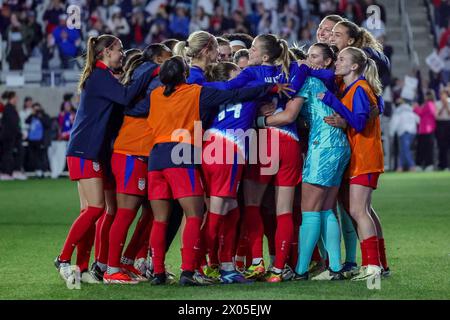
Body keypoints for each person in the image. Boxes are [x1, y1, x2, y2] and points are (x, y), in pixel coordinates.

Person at [146, 56, 276, 286]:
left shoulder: (155, 95)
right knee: (197, 215)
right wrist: (271, 87)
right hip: (183, 153)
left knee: (160, 219)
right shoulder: (195, 92)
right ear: (185, 75)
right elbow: (234, 94)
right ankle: (191, 270)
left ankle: (158, 272)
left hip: (156, 157)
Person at [54, 34, 154, 284]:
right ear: (107, 51)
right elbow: (125, 97)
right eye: (119, 49)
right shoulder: (100, 76)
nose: (122, 54)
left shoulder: (101, 76)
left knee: (91, 211)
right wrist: (151, 71)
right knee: (96, 208)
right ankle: (64, 259)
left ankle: (83, 267)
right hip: (86, 150)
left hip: (85, 149)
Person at [260, 43, 350, 281]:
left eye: (313, 56)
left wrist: (261, 121)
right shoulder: (329, 82)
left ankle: (300, 270)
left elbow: (289, 115)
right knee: (326, 208)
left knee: (309, 210)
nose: (307, 61)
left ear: (327, 61)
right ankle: (336, 268)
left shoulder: (309, 82)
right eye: (307, 56)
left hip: (323, 146)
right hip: (339, 144)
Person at [103, 44, 172, 285]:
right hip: (131, 152)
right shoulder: (151, 74)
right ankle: (112, 268)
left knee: (149, 212)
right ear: (156, 59)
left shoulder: (145, 76)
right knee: (125, 212)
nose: (169, 64)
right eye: (167, 59)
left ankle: (126, 261)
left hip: (141, 153)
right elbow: (145, 107)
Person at [319, 47, 386, 280]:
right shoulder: (353, 88)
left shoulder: (359, 88)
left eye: (342, 59)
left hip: (365, 157)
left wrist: (332, 103)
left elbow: (358, 122)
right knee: (362, 210)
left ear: (354, 66)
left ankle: (372, 267)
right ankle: (376, 265)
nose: (337, 62)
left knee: (359, 211)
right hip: (362, 156)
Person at [389, 98, 420, 172]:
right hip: (412, 132)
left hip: (403, 131)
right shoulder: (410, 109)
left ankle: (411, 166)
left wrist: (391, 133)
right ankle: (400, 167)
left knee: (405, 149)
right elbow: (418, 119)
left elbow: (395, 121)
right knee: (404, 149)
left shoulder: (398, 110)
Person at [26, 103, 51, 178]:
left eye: (37, 109)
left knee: (42, 156)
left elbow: (48, 124)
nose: (36, 111)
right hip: (32, 140)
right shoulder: (32, 116)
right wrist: (32, 114)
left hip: (41, 140)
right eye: (35, 109)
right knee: (34, 156)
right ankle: (38, 170)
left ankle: (44, 170)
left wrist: (40, 117)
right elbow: (27, 121)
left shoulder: (44, 116)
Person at [414, 90, 437, 171]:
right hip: (427, 129)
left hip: (426, 130)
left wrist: (416, 108)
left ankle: (424, 165)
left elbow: (420, 112)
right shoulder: (432, 104)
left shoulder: (428, 104)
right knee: (426, 148)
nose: (425, 97)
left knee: (423, 149)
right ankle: (426, 165)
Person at [0, 91, 21, 181]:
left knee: (10, 154)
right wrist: (19, 133)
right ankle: (5, 172)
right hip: (7, 136)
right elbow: (11, 124)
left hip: (11, 135)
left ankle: (11, 171)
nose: (17, 99)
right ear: (12, 98)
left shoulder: (11, 108)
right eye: (16, 97)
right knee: (7, 154)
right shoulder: (8, 109)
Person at [435, 88, 450, 170]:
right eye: (441, 94)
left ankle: (448, 165)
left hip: (448, 123)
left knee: (448, 145)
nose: (442, 96)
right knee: (441, 145)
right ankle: (441, 165)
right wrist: (443, 106)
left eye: (444, 94)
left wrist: (446, 105)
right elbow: (436, 115)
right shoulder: (437, 103)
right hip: (440, 124)